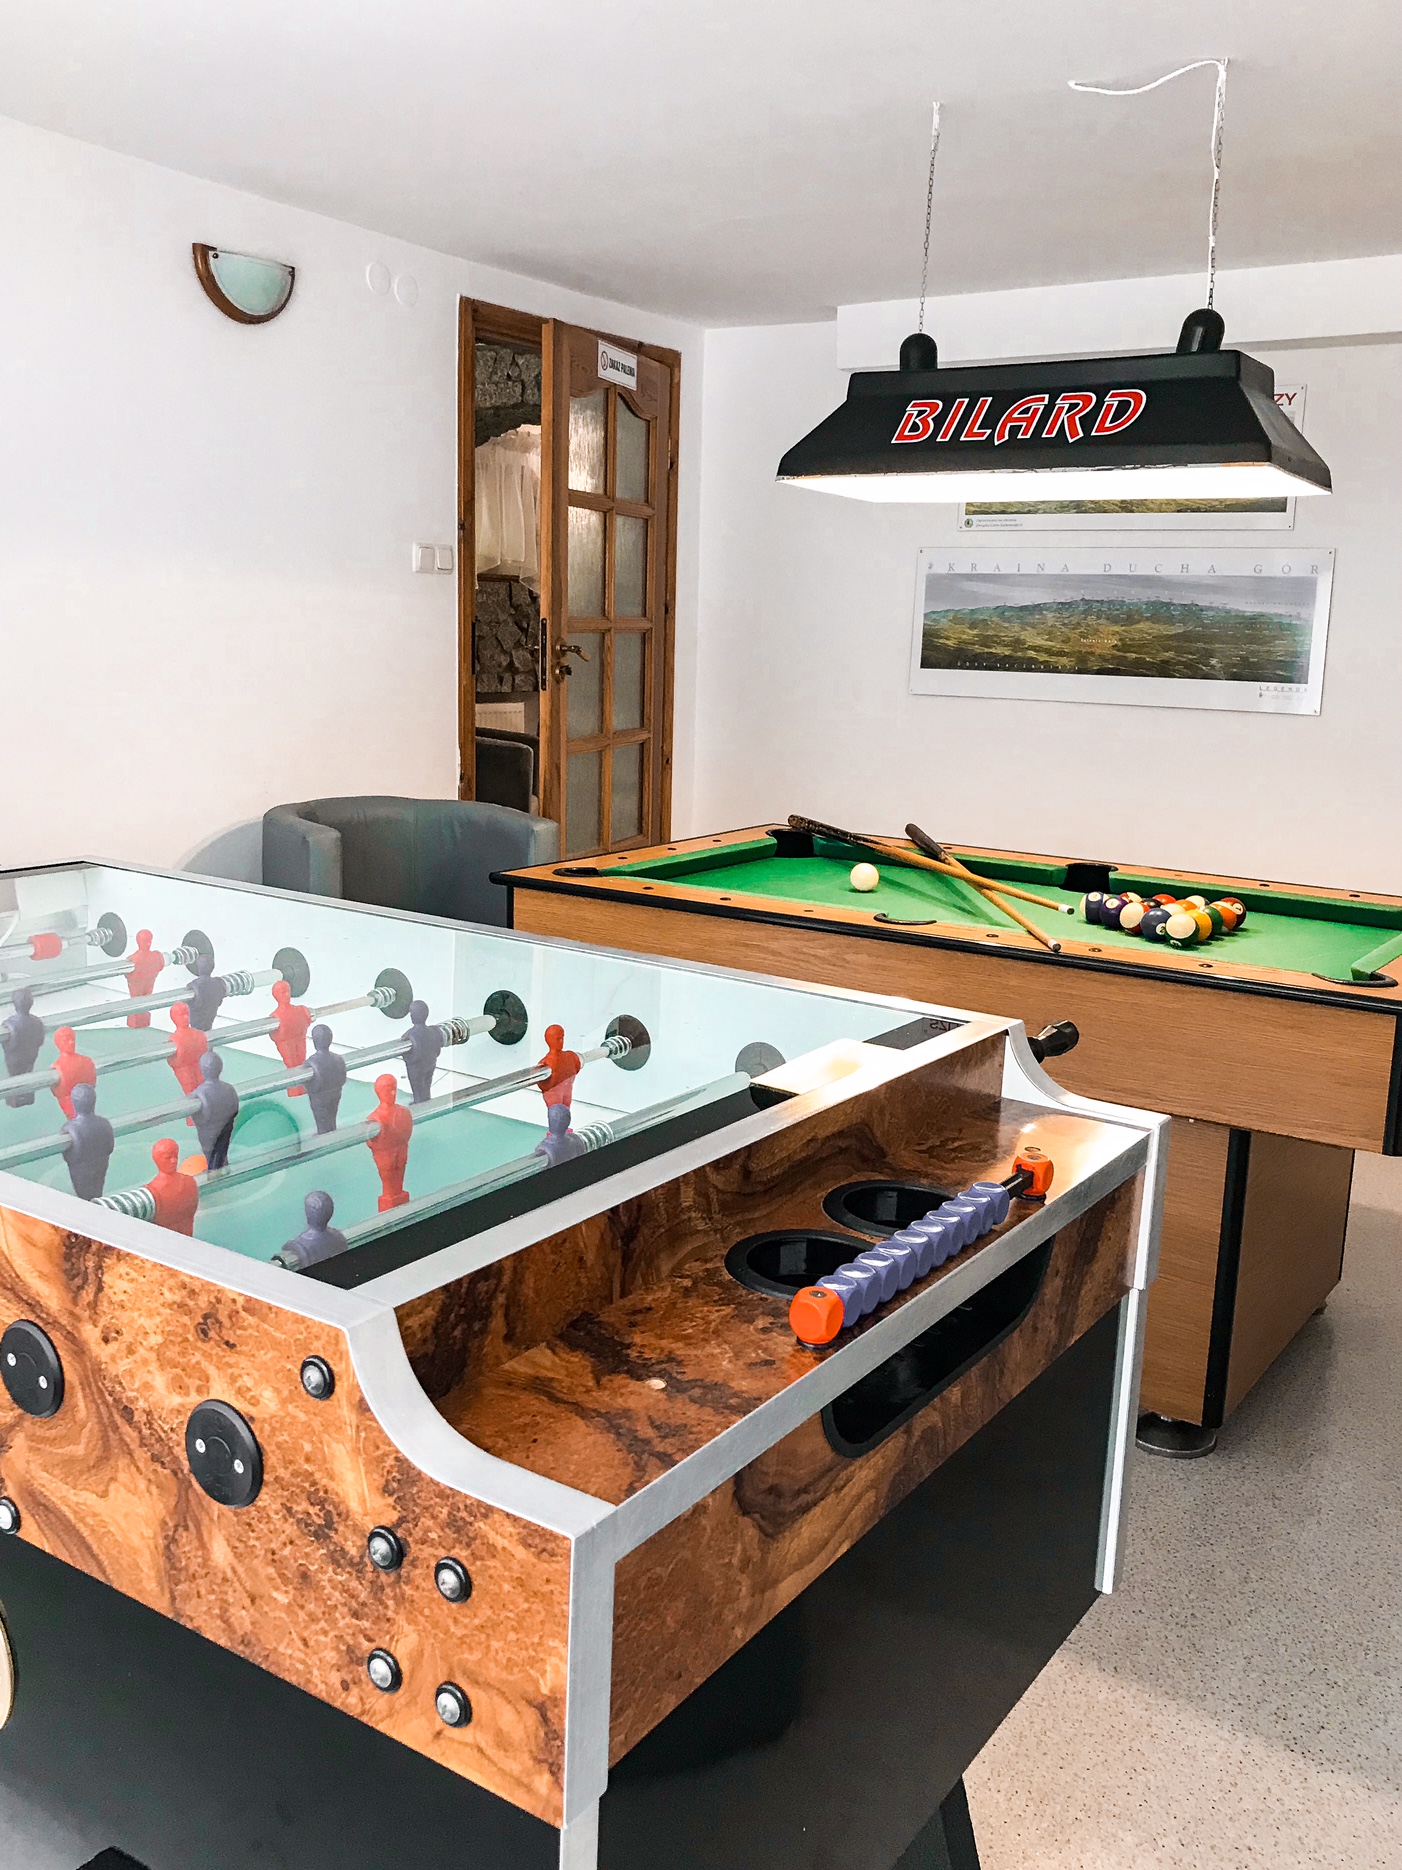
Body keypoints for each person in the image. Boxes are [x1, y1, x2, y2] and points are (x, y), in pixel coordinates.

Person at [61, 1082, 115, 1198]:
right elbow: (110, 1147)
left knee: (84, 1196)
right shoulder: (104, 1123)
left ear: (74, 1103)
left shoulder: (70, 1128)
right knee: (97, 1190)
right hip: (100, 1165)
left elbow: (68, 1155)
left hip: (80, 1169)